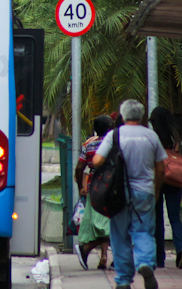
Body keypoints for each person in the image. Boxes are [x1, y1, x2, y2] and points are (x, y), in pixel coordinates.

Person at [93, 99, 166, 289]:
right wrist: (156, 190)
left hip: (118, 193)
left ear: (123, 115)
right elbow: (161, 169)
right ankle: (145, 263)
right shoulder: (151, 136)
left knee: (120, 236)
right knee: (144, 232)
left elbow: (97, 160)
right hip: (145, 192)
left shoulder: (114, 135)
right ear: (142, 116)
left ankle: (124, 280)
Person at [148, 106, 182, 269]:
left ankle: (159, 258)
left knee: (157, 219)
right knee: (174, 217)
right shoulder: (175, 134)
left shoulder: (153, 136)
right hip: (174, 177)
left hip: (157, 178)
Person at [74, 115, 112, 270]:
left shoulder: (88, 144)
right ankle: (91, 251)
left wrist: (80, 188)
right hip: (112, 187)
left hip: (94, 187)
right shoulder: (115, 143)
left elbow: (79, 167)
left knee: (100, 224)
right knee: (109, 224)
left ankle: (103, 256)